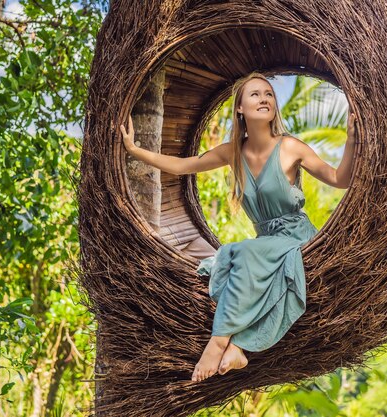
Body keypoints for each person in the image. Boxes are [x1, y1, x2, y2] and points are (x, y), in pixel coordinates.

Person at [121, 72, 357, 383]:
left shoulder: (290, 147)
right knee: (228, 258)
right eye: (255, 94)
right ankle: (238, 348)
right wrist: (135, 150)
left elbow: (340, 179)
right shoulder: (233, 151)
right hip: (266, 243)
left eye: (269, 94)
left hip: (297, 239)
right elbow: (183, 166)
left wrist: (352, 139)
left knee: (241, 251)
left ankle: (220, 342)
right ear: (240, 109)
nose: (264, 99)